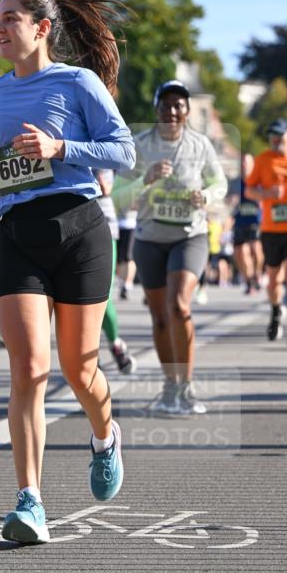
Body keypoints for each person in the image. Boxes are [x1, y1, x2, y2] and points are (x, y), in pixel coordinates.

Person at [0, 0, 135, 545]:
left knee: (79, 367)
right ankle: (29, 500)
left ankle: (105, 435)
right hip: (19, 233)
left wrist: (62, 149)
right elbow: (11, 167)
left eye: (11, 17)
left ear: (41, 28)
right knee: (29, 368)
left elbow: (124, 152)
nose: (0, 27)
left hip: (80, 227)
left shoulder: (77, 82)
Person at [113, 80, 227, 415]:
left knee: (179, 305)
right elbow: (118, 196)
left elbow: (218, 182)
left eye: (179, 105)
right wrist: (144, 179)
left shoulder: (200, 145)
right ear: (157, 109)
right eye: (166, 105)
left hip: (189, 235)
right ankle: (170, 385)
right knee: (160, 317)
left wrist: (206, 196)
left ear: (188, 111)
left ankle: (187, 386)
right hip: (149, 238)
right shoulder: (140, 145)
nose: (173, 111)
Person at [244, 119, 287, 346]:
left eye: (280, 136)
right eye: (272, 137)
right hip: (272, 229)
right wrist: (265, 194)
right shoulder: (263, 160)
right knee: (274, 280)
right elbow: (250, 191)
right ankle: (276, 310)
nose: (275, 141)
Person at [95, 169, 137, 374]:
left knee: (103, 295)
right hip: (69, 227)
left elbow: (106, 188)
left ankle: (115, 344)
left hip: (103, 227)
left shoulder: (96, 150)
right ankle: (90, 353)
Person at [230, 153, 263, 294]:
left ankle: (257, 274)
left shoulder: (258, 181)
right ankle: (249, 280)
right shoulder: (235, 182)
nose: (244, 165)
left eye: (247, 162)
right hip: (239, 221)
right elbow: (227, 201)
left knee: (255, 249)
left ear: (252, 164)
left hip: (255, 220)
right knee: (240, 254)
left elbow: (265, 199)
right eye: (242, 162)